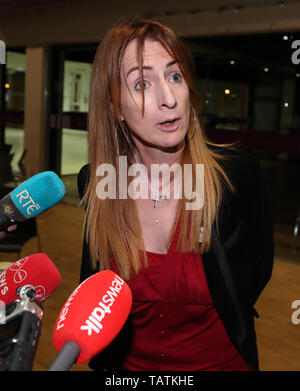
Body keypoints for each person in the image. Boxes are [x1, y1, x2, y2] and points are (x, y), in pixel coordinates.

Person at [78, 18, 274, 371]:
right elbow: (95, 288)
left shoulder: (236, 177)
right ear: (113, 107)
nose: (168, 99)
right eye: (142, 83)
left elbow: (257, 271)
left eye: (175, 76)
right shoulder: (97, 183)